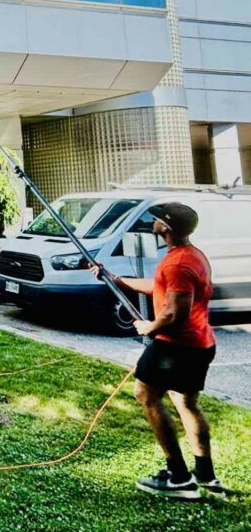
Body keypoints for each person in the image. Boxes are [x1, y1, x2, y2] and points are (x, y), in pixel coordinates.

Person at [91, 202, 223, 499]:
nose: (152, 222)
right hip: (199, 343)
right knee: (185, 403)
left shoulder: (178, 263)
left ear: (166, 227)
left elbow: (176, 314)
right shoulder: (189, 255)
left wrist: (150, 327)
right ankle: (206, 475)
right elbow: (158, 286)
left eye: (156, 220)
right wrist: (117, 279)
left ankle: (178, 477)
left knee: (146, 396)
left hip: (176, 347)